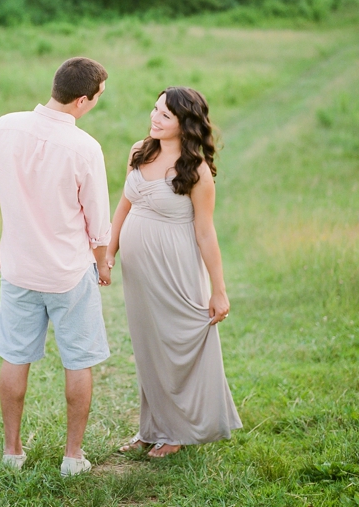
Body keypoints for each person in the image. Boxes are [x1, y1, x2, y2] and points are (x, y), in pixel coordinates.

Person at [0, 57, 112, 477]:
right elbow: (99, 226)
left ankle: (12, 452)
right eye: (99, 96)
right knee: (78, 361)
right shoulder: (85, 147)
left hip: (18, 271)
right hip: (69, 274)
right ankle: (73, 457)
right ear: (82, 100)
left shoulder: (4, 126)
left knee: (15, 357)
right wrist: (102, 266)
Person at [107, 87, 241, 458]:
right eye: (154, 109)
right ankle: (151, 428)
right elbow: (123, 207)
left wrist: (219, 289)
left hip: (176, 269)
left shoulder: (196, 171)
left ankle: (179, 430)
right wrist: (108, 253)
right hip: (139, 275)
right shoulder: (139, 150)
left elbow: (205, 232)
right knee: (147, 348)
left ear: (185, 124)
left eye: (164, 115)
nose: (154, 118)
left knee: (177, 346)